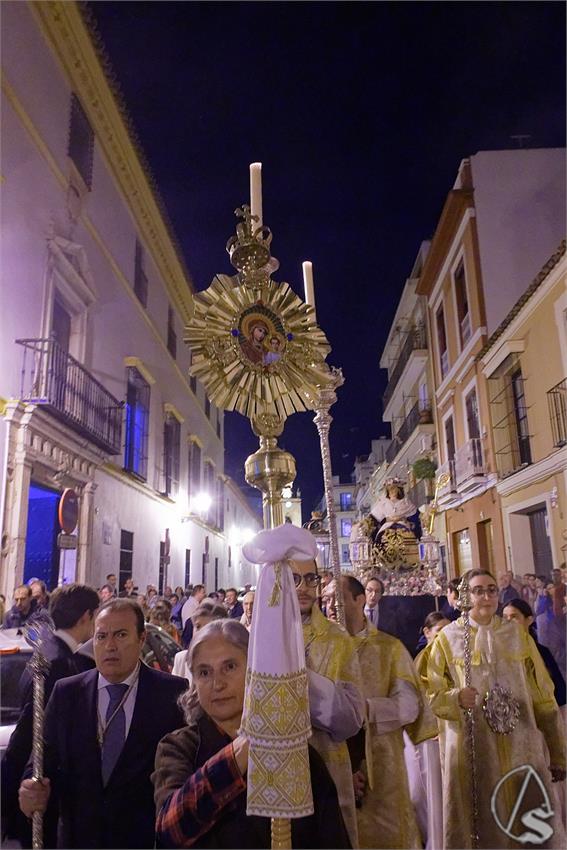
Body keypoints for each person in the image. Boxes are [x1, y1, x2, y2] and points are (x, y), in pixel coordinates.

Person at [153, 619, 351, 848]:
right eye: (204, 672)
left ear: (254, 670)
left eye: (230, 667)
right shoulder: (178, 748)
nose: (217, 684)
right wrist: (247, 745)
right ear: (194, 683)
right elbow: (170, 829)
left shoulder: (296, 755)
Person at [18, 599, 187, 849]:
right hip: (78, 840)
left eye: (120, 635)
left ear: (141, 640)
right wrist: (30, 790)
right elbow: (42, 759)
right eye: (101, 636)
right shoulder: (67, 693)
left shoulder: (171, 693)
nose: (110, 646)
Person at [242, 525, 365, 847]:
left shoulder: (338, 639)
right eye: (294, 579)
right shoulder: (254, 642)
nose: (305, 588)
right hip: (267, 774)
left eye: (311, 578)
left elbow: (352, 719)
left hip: (328, 771)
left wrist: (293, 679)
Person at [427, 569, 566, 849]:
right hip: (474, 751)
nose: (487, 596)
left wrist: (558, 752)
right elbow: (429, 691)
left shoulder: (516, 635)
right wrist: (454, 698)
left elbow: (543, 695)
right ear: (466, 595)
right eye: (479, 590)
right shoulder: (448, 639)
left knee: (528, 824)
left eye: (492, 590)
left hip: (521, 747)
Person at [341, 575, 437, 849]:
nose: (329, 604)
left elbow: (409, 707)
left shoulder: (389, 648)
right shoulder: (318, 650)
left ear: (360, 600)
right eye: (325, 599)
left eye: (338, 598)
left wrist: (367, 709)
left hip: (383, 771)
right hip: (333, 772)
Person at [2, 583, 99, 844]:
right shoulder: (61, 664)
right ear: (86, 617)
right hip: (45, 794)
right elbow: (41, 734)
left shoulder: (48, 652)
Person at [503, 598, 566, 708]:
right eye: (505, 617)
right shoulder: (500, 652)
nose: (508, 621)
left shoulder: (541, 651)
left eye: (514, 616)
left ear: (529, 620)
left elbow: (560, 693)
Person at [172, 600, 228, 681]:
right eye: (197, 626)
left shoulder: (230, 661)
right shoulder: (181, 659)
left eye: (208, 627)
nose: (201, 632)